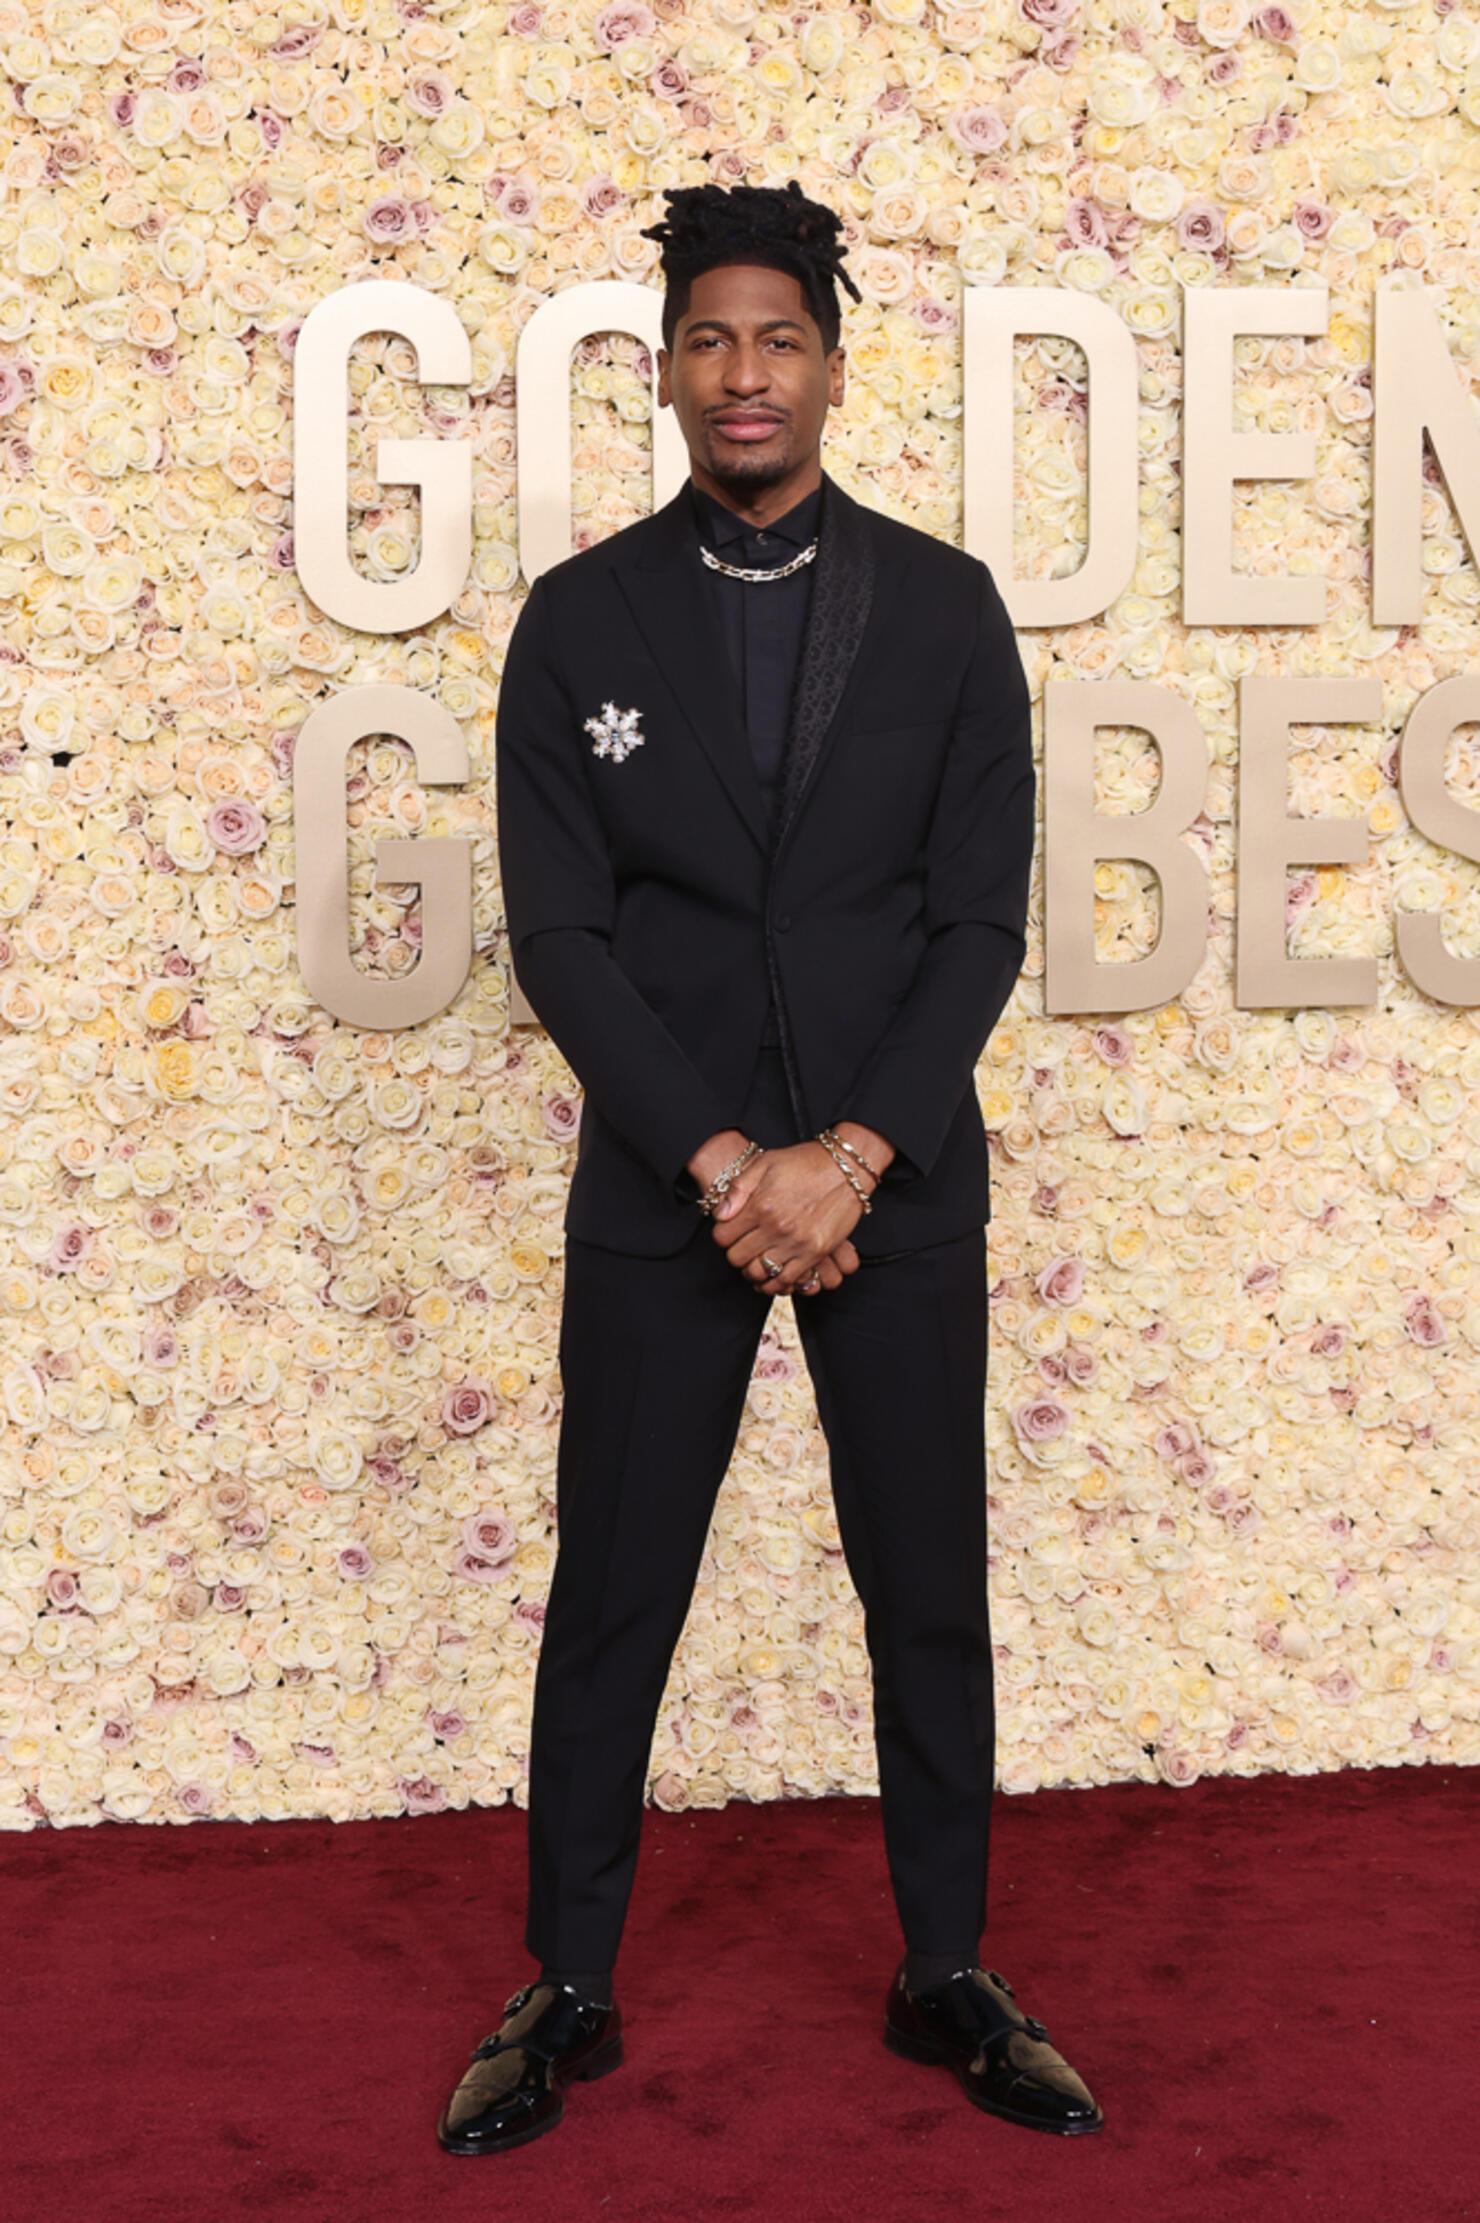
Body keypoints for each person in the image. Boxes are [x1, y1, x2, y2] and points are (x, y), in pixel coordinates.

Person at [437, 181, 1103, 2157]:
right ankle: (561, 1983)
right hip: (669, 1185)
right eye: (709, 338)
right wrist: (731, 1156)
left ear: (829, 363)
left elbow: (976, 918)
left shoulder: (945, 606)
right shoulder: (579, 623)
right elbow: (558, 934)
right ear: (664, 369)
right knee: (613, 1587)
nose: (745, 371)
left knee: (926, 1584)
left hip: (896, 1182)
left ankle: (948, 1969)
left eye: (779, 336)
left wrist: (856, 1152)